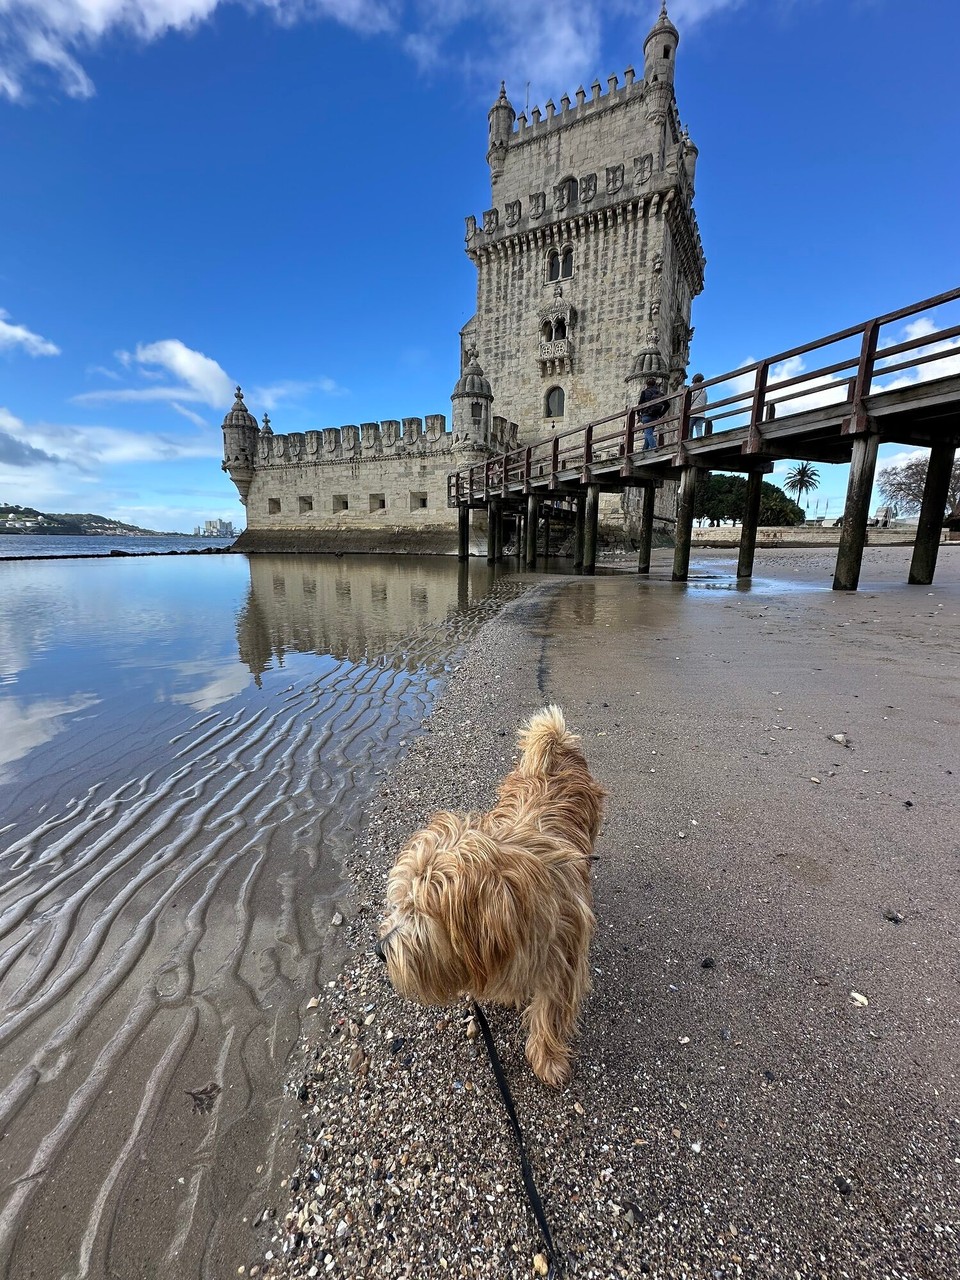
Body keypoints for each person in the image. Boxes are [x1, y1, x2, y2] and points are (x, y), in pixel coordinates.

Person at [638, 376, 667, 450]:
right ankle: (644, 450)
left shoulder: (644, 392)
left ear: (647, 384)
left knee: (648, 433)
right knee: (648, 433)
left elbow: (640, 404)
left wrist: (638, 414)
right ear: (655, 384)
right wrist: (661, 414)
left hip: (646, 415)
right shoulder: (660, 394)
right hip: (655, 416)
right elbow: (667, 405)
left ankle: (654, 447)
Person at [689, 373, 707, 438]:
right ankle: (700, 442)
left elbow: (691, 400)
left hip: (693, 413)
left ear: (694, 381)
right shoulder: (704, 391)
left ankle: (689, 441)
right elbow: (705, 402)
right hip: (702, 413)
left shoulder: (693, 389)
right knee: (699, 429)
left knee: (689, 429)